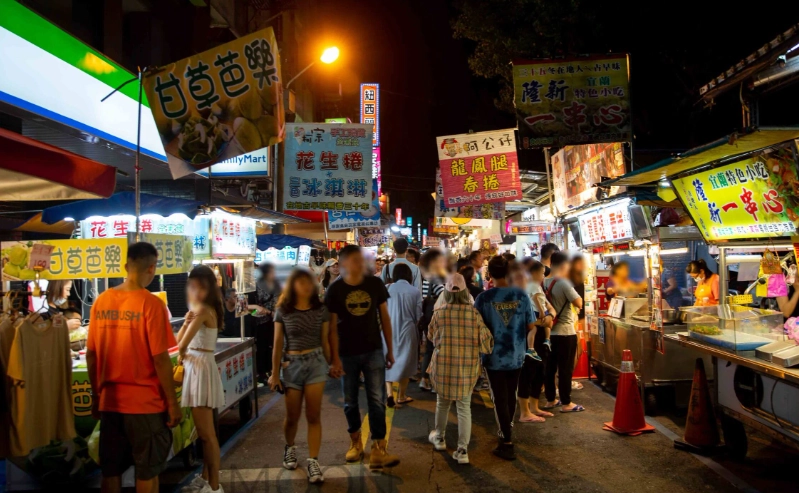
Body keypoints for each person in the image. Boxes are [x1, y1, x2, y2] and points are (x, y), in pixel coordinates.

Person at [86, 242, 180, 493]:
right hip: (145, 404)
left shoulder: (101, 301)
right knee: (147, 471)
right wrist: (172, 403)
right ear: (151, 268)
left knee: (111, 470)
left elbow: (91, 356)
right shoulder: (152, 304)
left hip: (110, 403)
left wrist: (96, 396)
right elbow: (160, 359)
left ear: (126, 266)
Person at [325, 245, 400, 470]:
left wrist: (390, 349)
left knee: (377, 400)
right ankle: (355, 442)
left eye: (361, 259)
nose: (361, 264)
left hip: (373, 350)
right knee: (350, 401)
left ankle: (379, 447)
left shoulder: (374, 284)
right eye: (355, 260)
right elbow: (331, 328)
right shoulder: (335, 290)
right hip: (346, 353)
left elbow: (385, 317)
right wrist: (334, 358)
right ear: (343, 263)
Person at [268, 269, 331, 484]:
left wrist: (333, 363)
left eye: (309, 282)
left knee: (314, 415)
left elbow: (325, 341)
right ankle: (290, 446)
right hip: (292, 365)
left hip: (316, 363)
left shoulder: (321, 309)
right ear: (292, 285)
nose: (306, 286)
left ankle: (314, 461)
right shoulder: (282, 310)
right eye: (301, 282)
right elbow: (277, 344)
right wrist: (275, 374)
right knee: (292, 416)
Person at [427, 273, 493, 465]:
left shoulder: (439, 313)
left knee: (442, 403)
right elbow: (486, 343)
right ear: (465, 292)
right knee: (464, 407)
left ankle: (439, 438)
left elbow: (431, 337)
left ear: (446, 293)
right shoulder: (474, 314)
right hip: (466, 368)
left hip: (443, 367)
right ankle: (462, 450)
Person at [474, 256, 536, 461]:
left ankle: (506, 440)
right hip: (516, 353)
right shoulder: (521, 295)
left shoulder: (483, 298)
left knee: (499, 397)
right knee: (511, 394)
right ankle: (507, 433)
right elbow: (531, 325)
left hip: (493, 356)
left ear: (489, 274)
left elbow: (476, 328)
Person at [176, 265, 226, 493]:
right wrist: (187, 321)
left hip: (199, 369)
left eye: (199, 287)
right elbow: (180, 341)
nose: (194, 291)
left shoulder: (204, 309)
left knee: (207, 435)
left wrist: (188, 324)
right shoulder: (203, 309)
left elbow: (181, 345)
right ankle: (207, 478)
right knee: (205, 433)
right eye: (192, 286)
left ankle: (214, 486)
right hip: (199, 367)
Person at [542, 252, 585, 413]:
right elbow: (579, 302)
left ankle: (550, 400)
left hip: (548, 332)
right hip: (565, 332)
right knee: (565, 369)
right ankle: (566, 403)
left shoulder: (542, 282)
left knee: (550, 368)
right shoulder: (563, 283)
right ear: (563, 265)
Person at [384, 264, 422, 407]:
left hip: (388, 330)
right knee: (406, 362)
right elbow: (418, 315)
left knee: (388, 361)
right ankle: (401, 396)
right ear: (409, 275)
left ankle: (389, 394)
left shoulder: (387, 288)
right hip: (407, 330)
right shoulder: (415, 291)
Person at [418, 248, 447, 391]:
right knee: (436, 349)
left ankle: (424, 379)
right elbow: (444, 296)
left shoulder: (424, 276)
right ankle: (433, 381)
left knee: (430, 349)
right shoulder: (435, 278)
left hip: (426, 316)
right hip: (436, 317)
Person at [253, 263, 281, 382]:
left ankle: (273, 370)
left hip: (276, 319)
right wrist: (267, 312)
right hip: (261, 320)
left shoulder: (277, 284)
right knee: (262, 347)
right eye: (271, 271)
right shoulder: (257, 285)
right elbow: (253, 305)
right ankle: (262, 373)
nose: (274, 274)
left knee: (274, 345)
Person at [568, 255, 587, 391]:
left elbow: (582, 308)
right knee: (573, 352)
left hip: (572, 322)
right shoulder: (568, 282)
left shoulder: (578, 281)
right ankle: (564, 382)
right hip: (569, 322)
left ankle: (564, 381)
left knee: (575, 351)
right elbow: (580, 304)